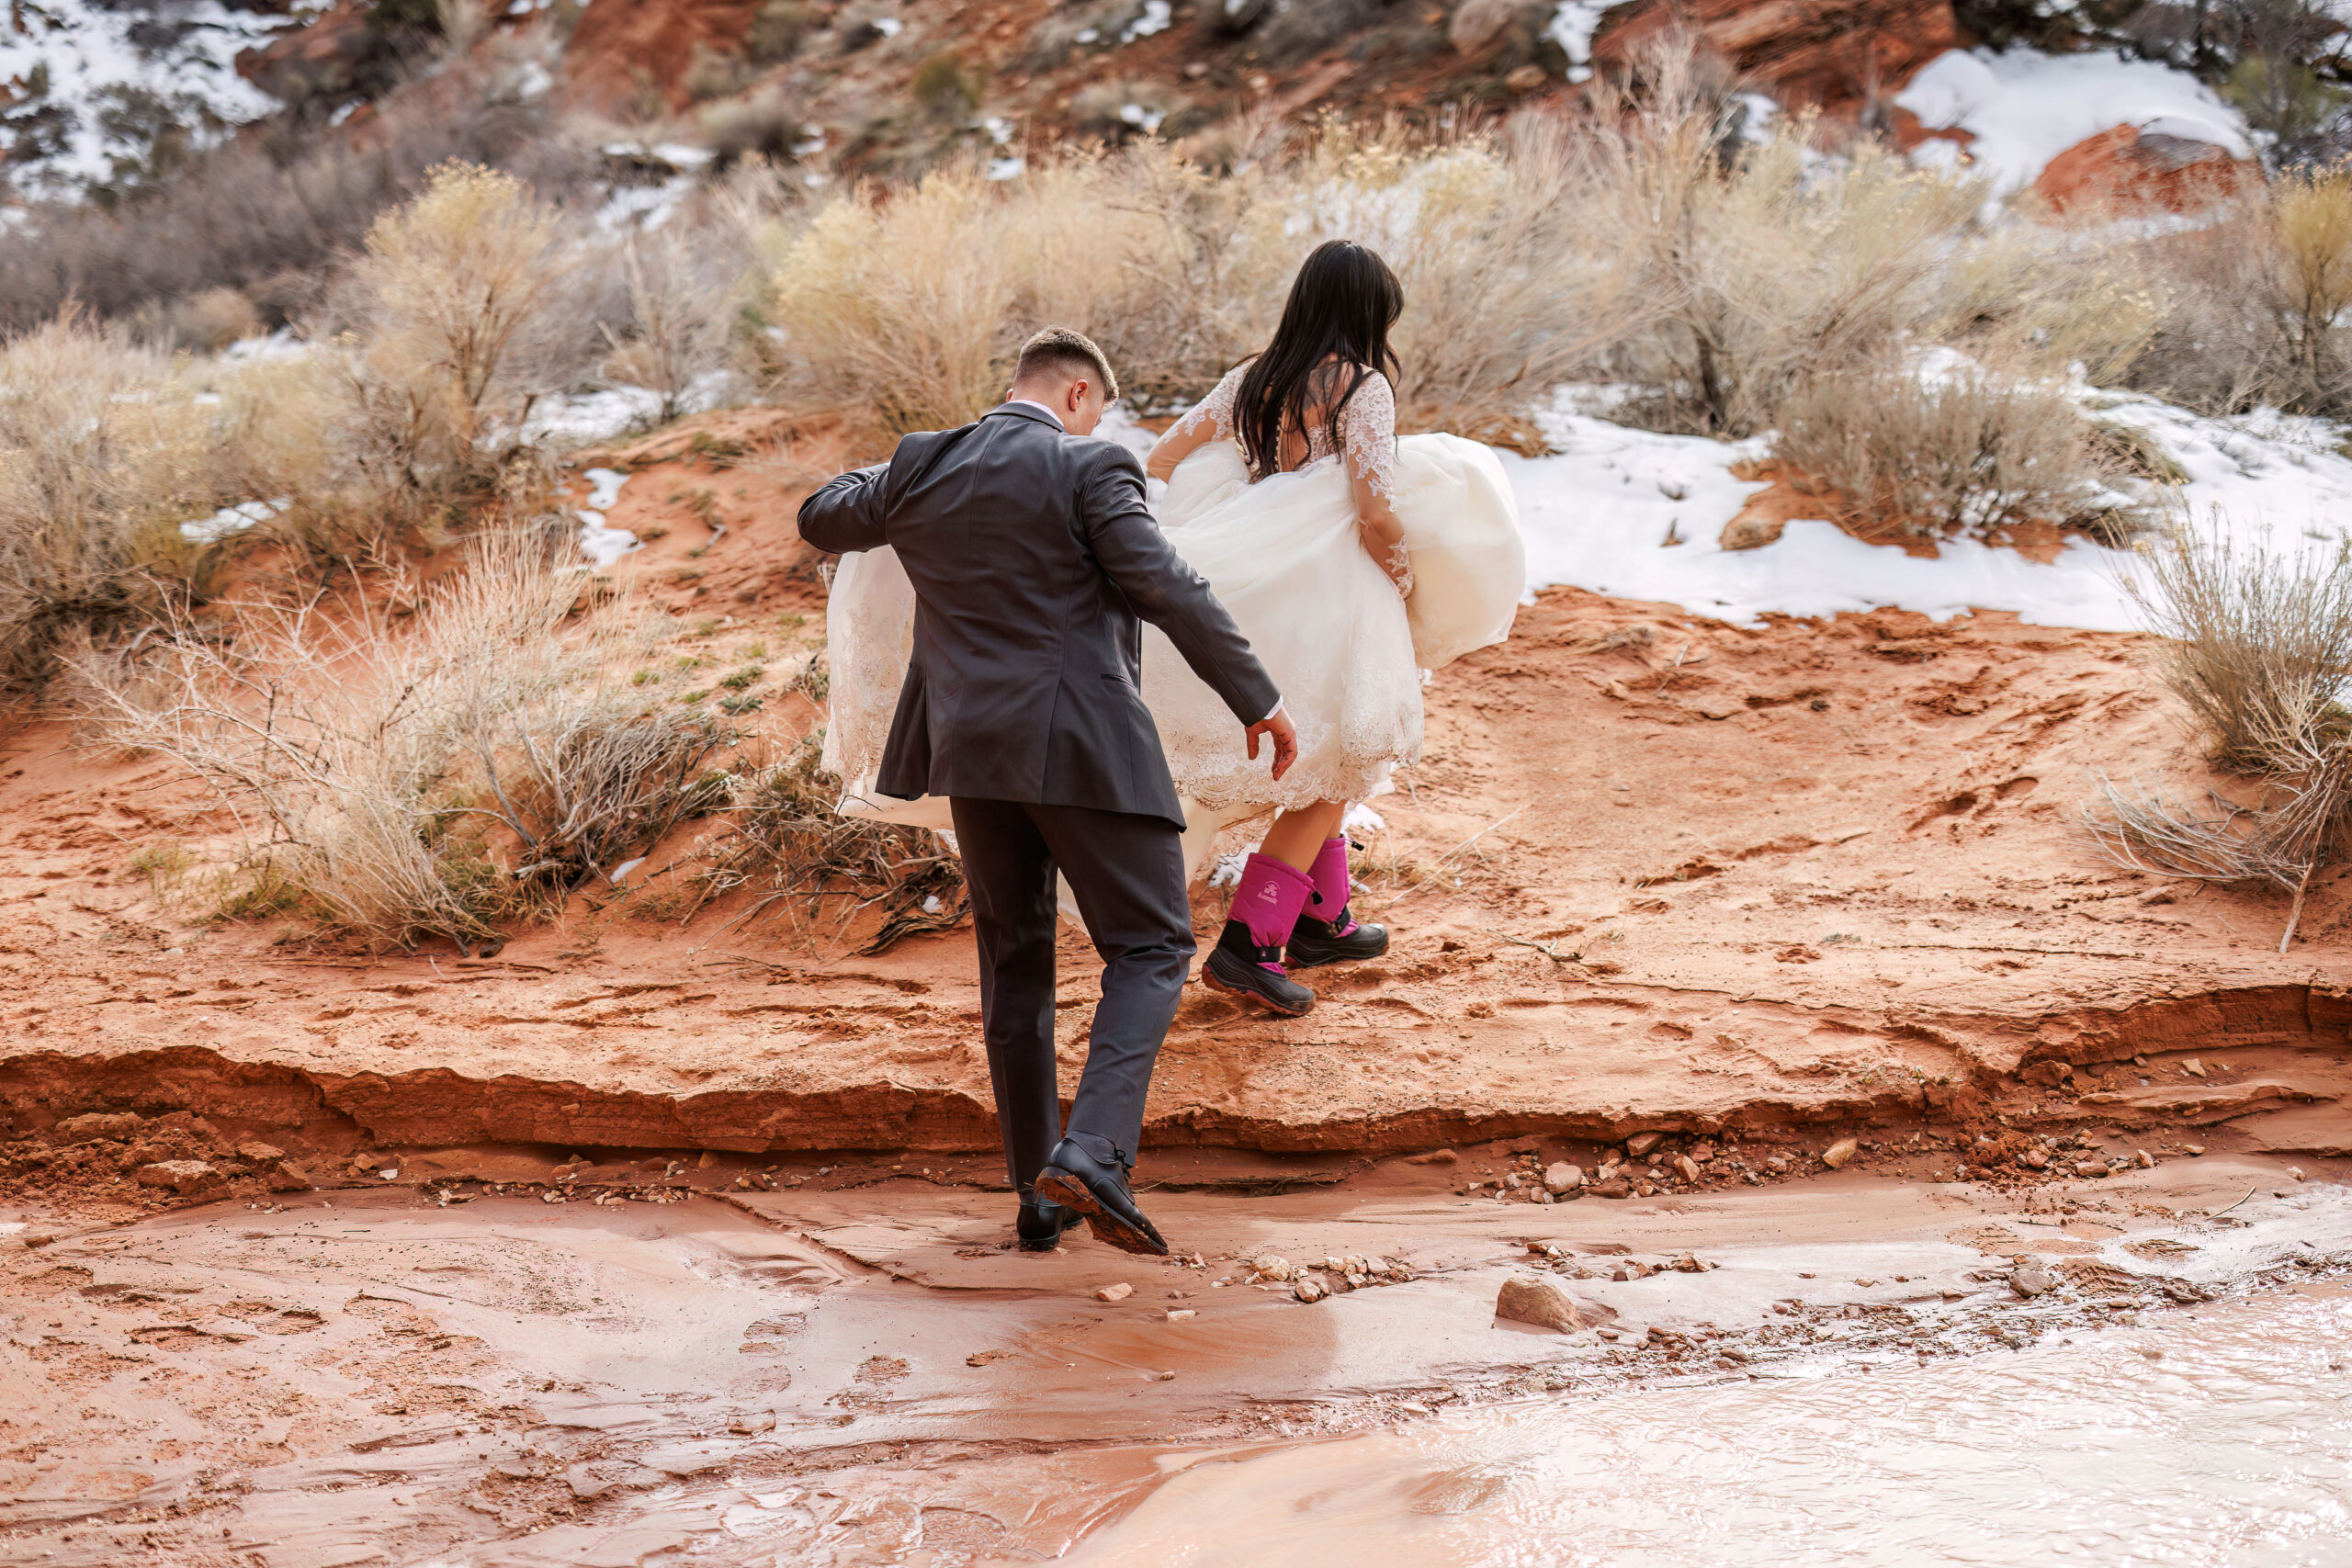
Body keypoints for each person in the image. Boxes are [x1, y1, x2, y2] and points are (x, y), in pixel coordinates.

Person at [797, 328, 1294, 1258]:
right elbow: (1163, 584)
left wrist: (919, 464)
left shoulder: (922, 464)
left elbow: (824, 516)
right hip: (1083, 743)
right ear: (1076, 398)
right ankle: (1095, 1155)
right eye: (1095, 414)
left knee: (1015, 968)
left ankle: (1040, 1195)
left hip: (967, 751)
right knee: (1151, 946)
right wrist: (1255, 695)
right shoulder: (1092, 466)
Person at [1141, 239, 1522, 1017]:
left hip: (1262, 583)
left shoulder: (1251, 376)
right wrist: (1408, 582)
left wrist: (1226, 513)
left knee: (1322, 748)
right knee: (1343, 760)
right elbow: (1374, 508)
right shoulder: (1365, 385)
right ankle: (1251, 944)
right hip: (1336, 586)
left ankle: (1324, 919)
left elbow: (1162, 453)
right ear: (1368, 312)